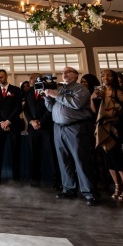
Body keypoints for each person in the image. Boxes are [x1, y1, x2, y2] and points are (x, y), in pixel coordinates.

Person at [45, 67, 98, 205]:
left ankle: (89, 193)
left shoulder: (80, 89)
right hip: (58, 128)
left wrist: (56, 95)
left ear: (75, 75)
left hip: (75, 127)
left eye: (68, 72)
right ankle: (68, 189)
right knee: (64, 160)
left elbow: (77, 103)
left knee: (81, 160)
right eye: (63, 72)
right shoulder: (60, 89)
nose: (64, 74)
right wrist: (47, 97)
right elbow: (51, 108)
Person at [90, 69, 123, 200]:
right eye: (103, 75)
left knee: (118, 158)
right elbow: (94, 112)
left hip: (114, 128)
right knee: (108, 160)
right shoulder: (98, 92)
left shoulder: (118, 92)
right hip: (101, 127)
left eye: (108, 75)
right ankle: (117, 186)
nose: (105, 77)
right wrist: (93, 98)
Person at [24, 73, 59, 189]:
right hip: (33, 128)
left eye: (32, 78)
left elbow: (51, 108)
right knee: (34, 154)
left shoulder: (48, 91)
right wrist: (31, 121)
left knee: (52, 154)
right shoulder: (28, 92)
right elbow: (26, 110)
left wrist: (40, 121)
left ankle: (57, 181)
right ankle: (35, 179)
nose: (30, 80)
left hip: (47, 127)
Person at [0, 70, 23, 183]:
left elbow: (18, 107)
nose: (0, 80)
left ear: (6, 77)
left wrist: (8, 121)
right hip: (0, 126)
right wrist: (1, 122)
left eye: (2, 77)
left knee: (16, 151)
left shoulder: (16, 90)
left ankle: (16, 177)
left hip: (14, 124)